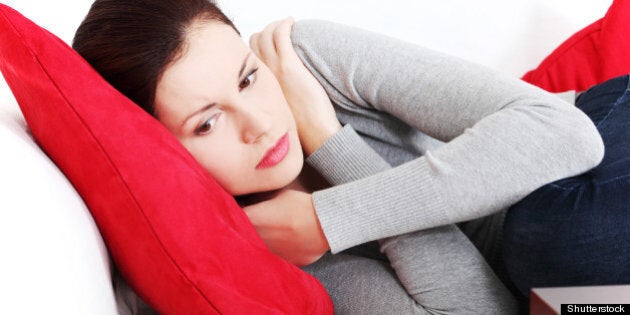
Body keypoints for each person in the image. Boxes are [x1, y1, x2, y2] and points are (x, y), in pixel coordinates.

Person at [71, 0, 614, 313]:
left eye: (247, 78)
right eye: (208, 122)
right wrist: (337, 160)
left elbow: (565, 133)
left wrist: (328, 212)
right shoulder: (269, 249)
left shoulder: (300, 59)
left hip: (607, 141)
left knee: (552, 239)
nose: (261, 124)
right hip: (579, 265)